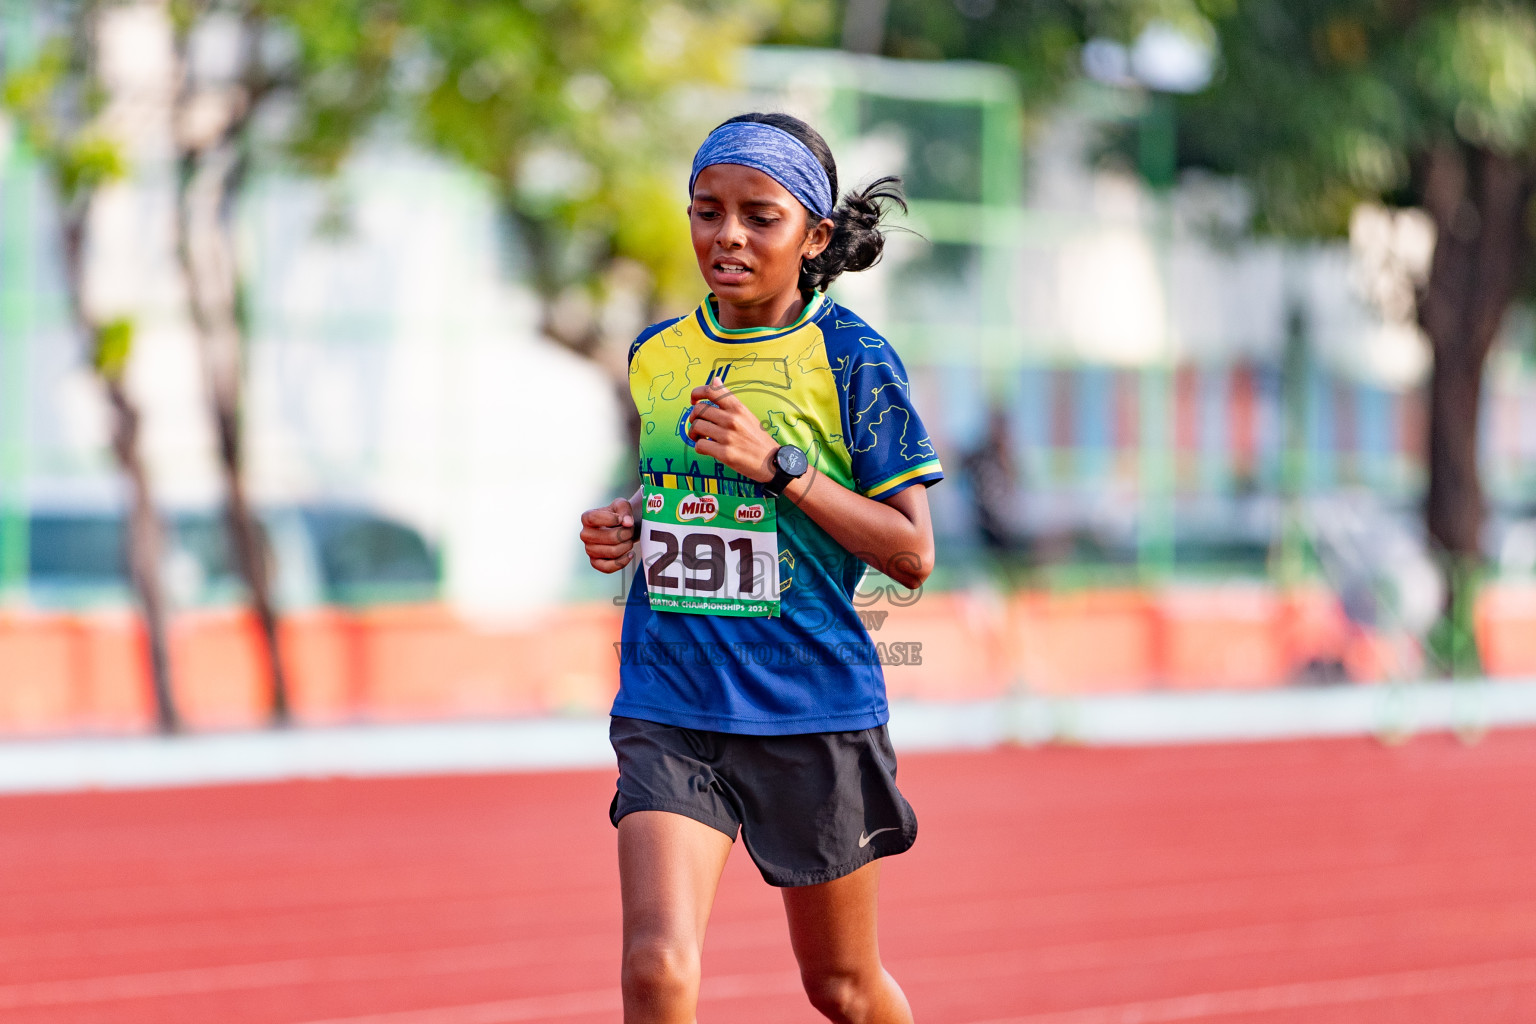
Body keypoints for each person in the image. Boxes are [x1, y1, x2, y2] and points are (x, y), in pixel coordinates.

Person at [579, 111, 944, 1024]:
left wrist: (782, 467)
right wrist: (630, 520)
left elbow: (911, 554)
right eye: (707, 211)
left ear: (815, 235)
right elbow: (677, 483)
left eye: (759, 215)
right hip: (671, 696)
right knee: (657, 968)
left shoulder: (854, 359)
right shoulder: (658, 354)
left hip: (808, 704)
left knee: (844, 989)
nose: (727, 235)